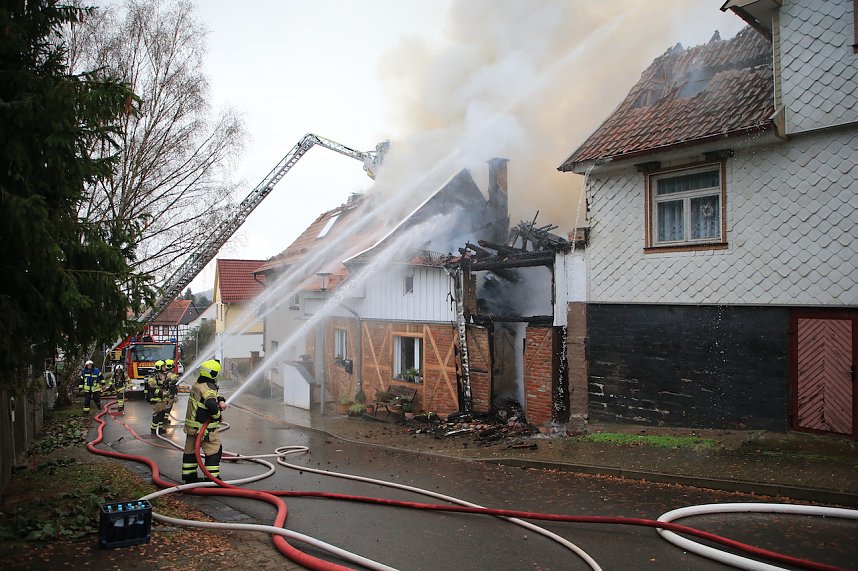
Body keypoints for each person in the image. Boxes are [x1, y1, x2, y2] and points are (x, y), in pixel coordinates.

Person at [181, 359, 227, 483]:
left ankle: (189, 478)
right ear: (213, 373)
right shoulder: (208, 388)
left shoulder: (197, 385)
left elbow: (212, 396)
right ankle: (212, 479)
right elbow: (211, 404)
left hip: (192, 428)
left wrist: (220, 399)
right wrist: (218, 416)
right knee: (214, 450)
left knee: (190, 452)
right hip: (205, 429)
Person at [146, 360, 169, 434]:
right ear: (159, 367)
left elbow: (164, 386)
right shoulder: (153, 377)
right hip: (155, 399)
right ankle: (153, 429)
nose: (165, 367)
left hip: (162, 399)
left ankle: (160, 429)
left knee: (162, 414)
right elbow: (151, 389)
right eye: (163, 366)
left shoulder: (163, 375)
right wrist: (161, 393)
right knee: (157, 415)